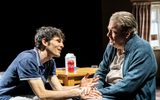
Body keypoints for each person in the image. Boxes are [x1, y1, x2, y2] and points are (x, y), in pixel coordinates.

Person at [0, 26, 97, 100]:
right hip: (8, 96)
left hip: (27, 95)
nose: (62, 45)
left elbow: (58, 89)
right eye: (58, 41)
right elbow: (42, 95)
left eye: (62, 42)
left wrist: (80, 86)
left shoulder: (50, 62)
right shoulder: (28, 59)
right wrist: (78, 92)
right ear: (45, 42)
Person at [82, 11, 158, 100]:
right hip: (109, 91)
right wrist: (95, 89)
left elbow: (128, 86)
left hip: (129, 96)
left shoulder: (143, 50)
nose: (108, 35)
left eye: (113, 32)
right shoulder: (112, 45)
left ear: (127, 34)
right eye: (108, 30)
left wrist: (99, 92)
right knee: (76, 96)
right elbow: (101, 72)